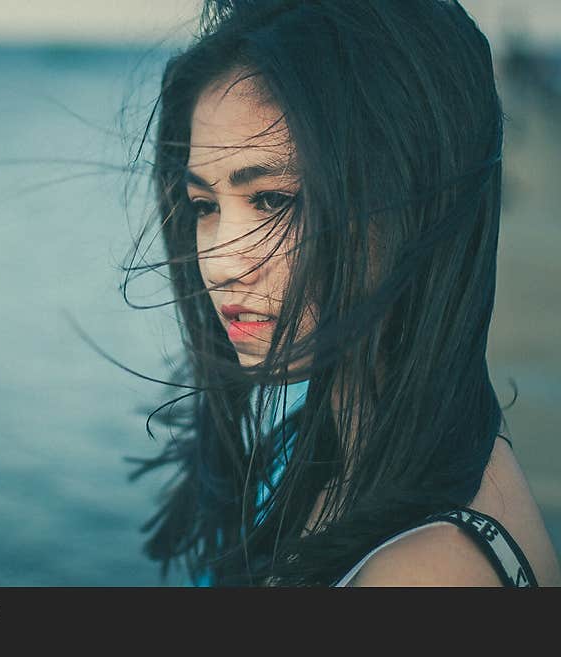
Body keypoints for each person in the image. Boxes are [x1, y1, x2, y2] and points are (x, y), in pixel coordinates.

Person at [125, 0, 561, 586]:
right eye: (205, 206)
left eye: (273, 200)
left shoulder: (429, 576)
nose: (222, 262)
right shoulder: (313, 442)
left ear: (410, 197)